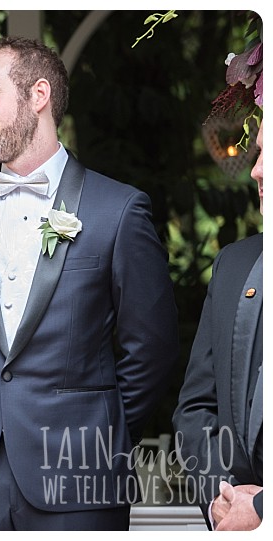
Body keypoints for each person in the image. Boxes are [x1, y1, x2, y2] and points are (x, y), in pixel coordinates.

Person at [0, 36, 179, 530]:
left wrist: (100, 435)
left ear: (38, 95)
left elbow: (151, 345)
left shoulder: (119, 209)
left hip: (80, 476)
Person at [172, 120, 263, 531]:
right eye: (257, 152)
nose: (256, 169)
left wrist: (263, 509)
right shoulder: (234, 264)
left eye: (268, 155)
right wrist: (219, 498)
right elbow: (196, 407)